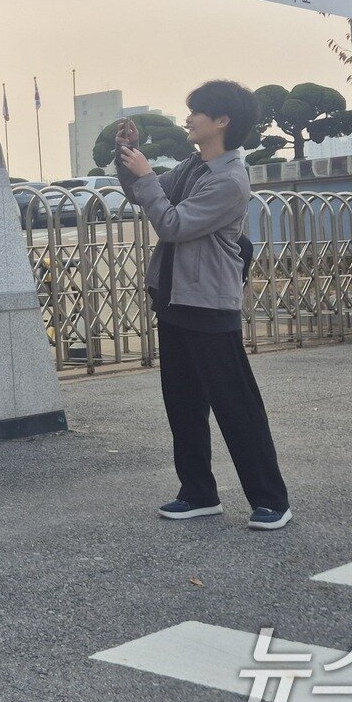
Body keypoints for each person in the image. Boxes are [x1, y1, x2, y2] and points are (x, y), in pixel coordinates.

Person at [115, 80, 292, 531]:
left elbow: (172, 223)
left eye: (197, 112)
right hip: (174, 298)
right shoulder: (196, 165)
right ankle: (197, 492)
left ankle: (271, 499)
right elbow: (143, 195)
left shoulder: (230, 179)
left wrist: (149, 176)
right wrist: (129, 160)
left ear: (222, 121)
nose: (188, 117)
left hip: (209, 305)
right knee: (182, 403)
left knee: (236, 405)